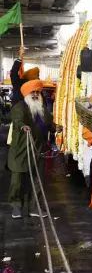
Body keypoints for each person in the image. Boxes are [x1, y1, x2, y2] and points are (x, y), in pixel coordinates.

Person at [8, 79, 53, 218]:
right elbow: (18, 121)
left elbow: (48, 123)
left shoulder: (42, 108)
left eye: (37, 92)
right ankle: (16, 206)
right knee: (18, 180)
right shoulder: (19, 107)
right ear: (26, 93)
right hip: (22, 150)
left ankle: (35, 208)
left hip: (39, 149)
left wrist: (57, 127)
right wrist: (23, 127)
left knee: (38, 180)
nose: (35, 94)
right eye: (32, 92)